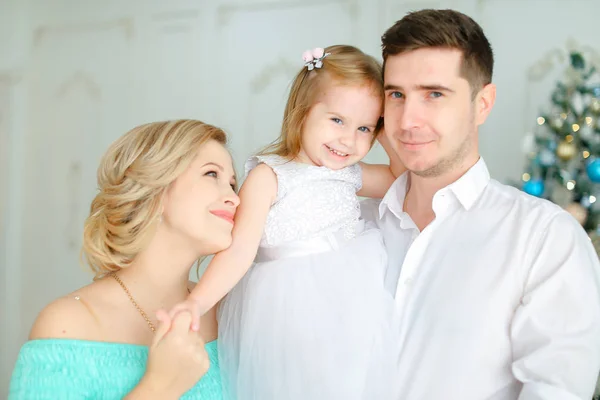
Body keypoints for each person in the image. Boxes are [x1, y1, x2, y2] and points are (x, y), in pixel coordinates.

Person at [359, 8, 600, 399]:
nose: (407, 121)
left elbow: (555, 391)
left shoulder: (543, 238)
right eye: (396, 95)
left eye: (433, 94)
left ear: (483, 103)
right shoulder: (351, 223)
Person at [167, 45, 405, 399]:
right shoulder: (270, 175)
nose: (348, 139)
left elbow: (401, 180)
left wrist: (387, 135)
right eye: (337, 120)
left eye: (364, 128)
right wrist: (196, 303)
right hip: (290, 306)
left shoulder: (349, 174)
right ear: (303, 112)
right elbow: (239, 251)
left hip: (354, 300)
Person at [8, 119, 240, 399]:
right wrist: (160, 387)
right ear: (155, 190)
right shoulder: (68, 324)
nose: (235, 198)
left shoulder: (228, 315)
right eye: (212, 174)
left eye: (232, 183)